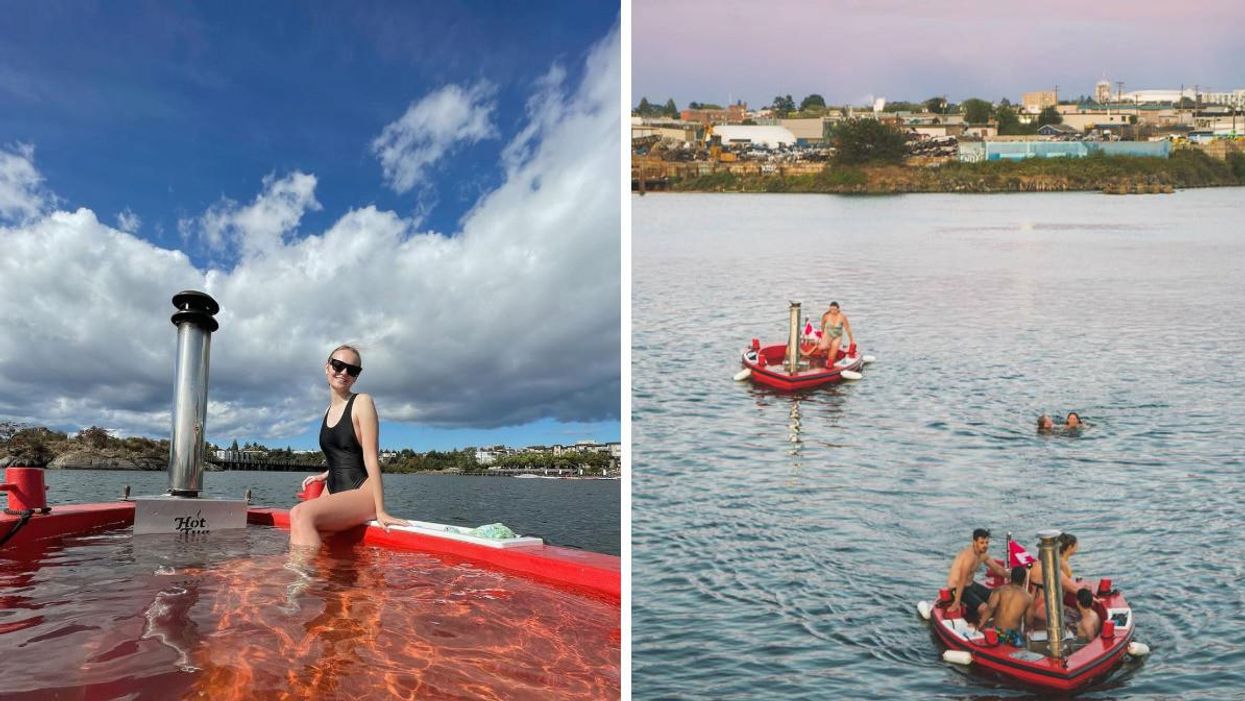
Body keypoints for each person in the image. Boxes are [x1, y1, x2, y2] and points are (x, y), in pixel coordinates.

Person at [289, 345, 405, 551]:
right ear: (327, 367)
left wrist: (381, 510)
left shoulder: (362, 402)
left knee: (300, 514)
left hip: (362, 491)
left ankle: (301, 582)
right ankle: (311, 578)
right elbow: (344, 453)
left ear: (356, 377)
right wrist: (323, 475)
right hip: (333, 487)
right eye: (338, 365)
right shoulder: (327, 410)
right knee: (318, 538)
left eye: (352, 370)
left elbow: (370, 458)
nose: (344, 373)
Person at [946, 528, 1011, 621]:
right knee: (985, 610)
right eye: (982, 543)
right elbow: (962, 578)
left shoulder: (983, 555)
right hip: (957, 588)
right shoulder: (969, 557)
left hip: (970, 585)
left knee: (997, 598)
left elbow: (998, 569)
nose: (985, 545)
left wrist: (1014, 576)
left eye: (987, 543)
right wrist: (957, 601)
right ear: (974, 542)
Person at [982, 566, 1035, 647]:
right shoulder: (1028, 597)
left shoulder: (1000, 590)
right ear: (1024, 579)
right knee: (1023, 646)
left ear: (1011, 577)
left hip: (998, 632)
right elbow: (1029, 621)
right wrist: (1026, 632)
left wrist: (981, 624)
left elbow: (990, 608)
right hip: (1013, 635)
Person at [801, 301, 855, 367]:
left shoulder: (842, 317)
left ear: (838, 309)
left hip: (837, 336)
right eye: (831, 309)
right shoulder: (826, 316)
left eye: (834, 309)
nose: (833, 311)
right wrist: (822, 335)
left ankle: (830, 363)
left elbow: (848, 329)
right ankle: (828, 348)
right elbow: (822, 326)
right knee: (821, 347)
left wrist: (852, 341)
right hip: (828, 334)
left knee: (831, 357)